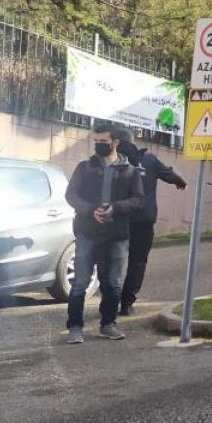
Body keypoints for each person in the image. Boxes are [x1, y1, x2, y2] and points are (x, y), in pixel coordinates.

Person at [63, 124, 145, 344]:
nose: (99, 145)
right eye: (96, 141)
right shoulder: (84, 168)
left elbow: (138, 200)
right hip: (87, 232)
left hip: (117, 235)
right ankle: (74, 327)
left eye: (103, 141)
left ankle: (108, 324)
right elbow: (71, 195)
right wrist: (91, 211)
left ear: (116, 142)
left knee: (113, 282)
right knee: (80, 282)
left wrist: (115, 208)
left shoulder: (131, 171)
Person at [112, 128, 187, 316]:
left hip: (118, 219)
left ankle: (110, 302)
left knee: (113, 261)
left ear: (117, 143)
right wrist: (181, 181)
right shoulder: (149, 160)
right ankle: (127, 303)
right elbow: (171, 175)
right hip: (143, 221)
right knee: (137, 262)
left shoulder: (111, 160)